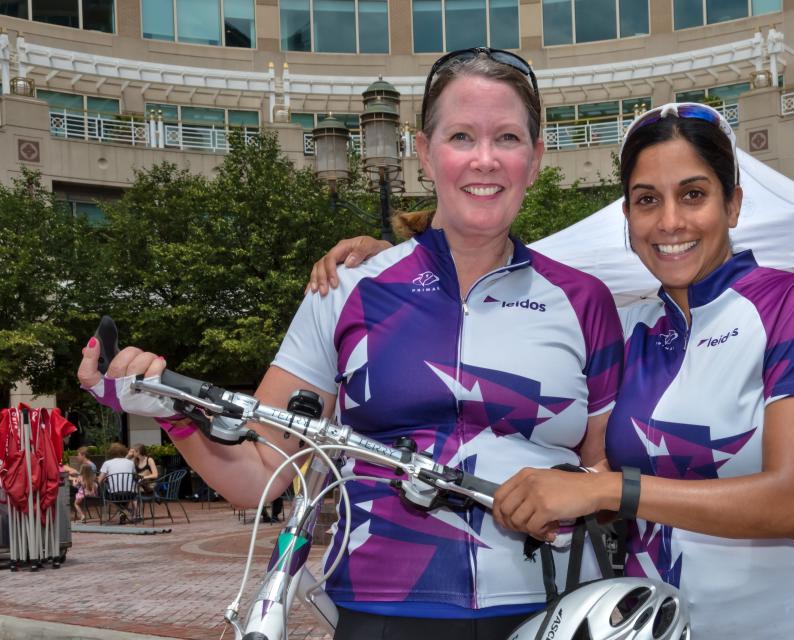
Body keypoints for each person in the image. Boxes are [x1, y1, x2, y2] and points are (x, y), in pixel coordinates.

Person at [77, 48, 623, 640]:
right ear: (423, 152)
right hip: (381, 608)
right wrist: (173, 415)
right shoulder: (344, 290)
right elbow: (262, 474)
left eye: (509, 138)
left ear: (536, 158)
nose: (484, 159)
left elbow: (604, 474)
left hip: (552, 609)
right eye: (461, 136)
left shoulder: (584, 300)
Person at [310, 103, 794, 638]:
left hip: (793, 624)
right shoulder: (630, 328)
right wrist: (399, 261)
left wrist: (605, 491)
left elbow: (790, 503)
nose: (670, 221)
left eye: (693, 195)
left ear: (734, 204)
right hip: (649, 625)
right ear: (627, 215)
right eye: (647, 200)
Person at [99, 442, 138, 523]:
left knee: (105, 494)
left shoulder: (107, 463)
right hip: (129, 493)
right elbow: (134, 476)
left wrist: (107, 479)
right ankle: (123, 511)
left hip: (114, 495)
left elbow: (99, 480)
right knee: (126, 494)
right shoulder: (130, 463)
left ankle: (122, 510)